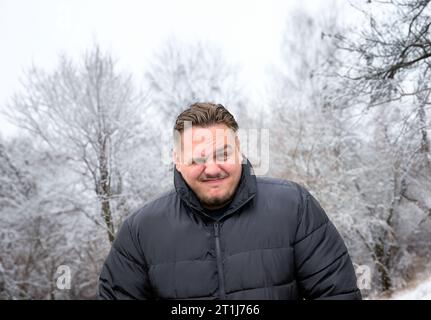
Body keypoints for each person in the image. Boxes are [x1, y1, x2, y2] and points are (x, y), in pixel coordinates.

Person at [98, 102, 362, 300]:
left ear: (239, 150)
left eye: (222, 154)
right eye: (197, 158)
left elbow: (337, 294)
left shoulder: (294, 207)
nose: (212, 169)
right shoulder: (140, 231)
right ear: (177, 160)